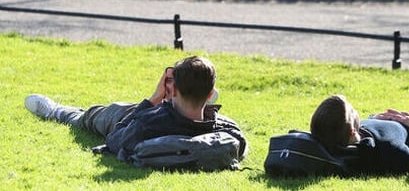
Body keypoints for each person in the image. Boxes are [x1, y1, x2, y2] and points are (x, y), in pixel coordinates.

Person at [24, 56, 247, 161]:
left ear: (173, 89)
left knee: (89, 117)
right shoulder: (224, 128)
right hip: (186, 117)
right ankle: (193, 94)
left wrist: (153, 100)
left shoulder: (147, 122)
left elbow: (115, 140)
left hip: (132, 115)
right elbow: (241, 145)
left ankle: (55, 111)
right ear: (210, 95)